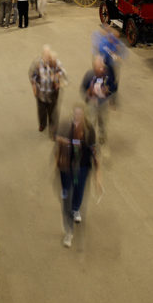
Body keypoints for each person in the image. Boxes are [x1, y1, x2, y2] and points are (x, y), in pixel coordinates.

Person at [56, 105, 98, 248]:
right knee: (66, 196)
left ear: (84, 115)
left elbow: (93, 148)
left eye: (80, 114)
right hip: (66, 167)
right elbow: (57, 138)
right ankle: (69, 232)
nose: (77, 116)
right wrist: (64, 141)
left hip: (82, 167)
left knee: (79, 190)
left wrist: (98, 170)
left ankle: (76, 209)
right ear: (72, 113)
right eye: (75, 113)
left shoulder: (89, 129)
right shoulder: (65, 126)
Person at [80, 54, 118, 146]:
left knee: (103, 122)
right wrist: (88, 95)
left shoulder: (108, 75)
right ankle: (90, 140)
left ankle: (102, 137)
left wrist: (109, 92)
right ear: (94, 67)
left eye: (101, 67)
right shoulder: (89, 75)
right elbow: (82, 88)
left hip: (103, 103)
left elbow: (114, 87)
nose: (100, 70)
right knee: (91, 123)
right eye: (97, 68)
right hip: (92, 103)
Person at [28, 46, 67, 133]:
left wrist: (57, 76)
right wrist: (33, 85)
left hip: (53, 93)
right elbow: (31, 74)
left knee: (53, 112)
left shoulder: (55, 62)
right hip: (41, 93)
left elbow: (63, 72)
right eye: (45, 57)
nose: (47, 59)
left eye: (48, 57)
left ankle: (53, 129)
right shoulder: (37, 64)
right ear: (42, 56)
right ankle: (43, 124)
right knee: (41, 111)